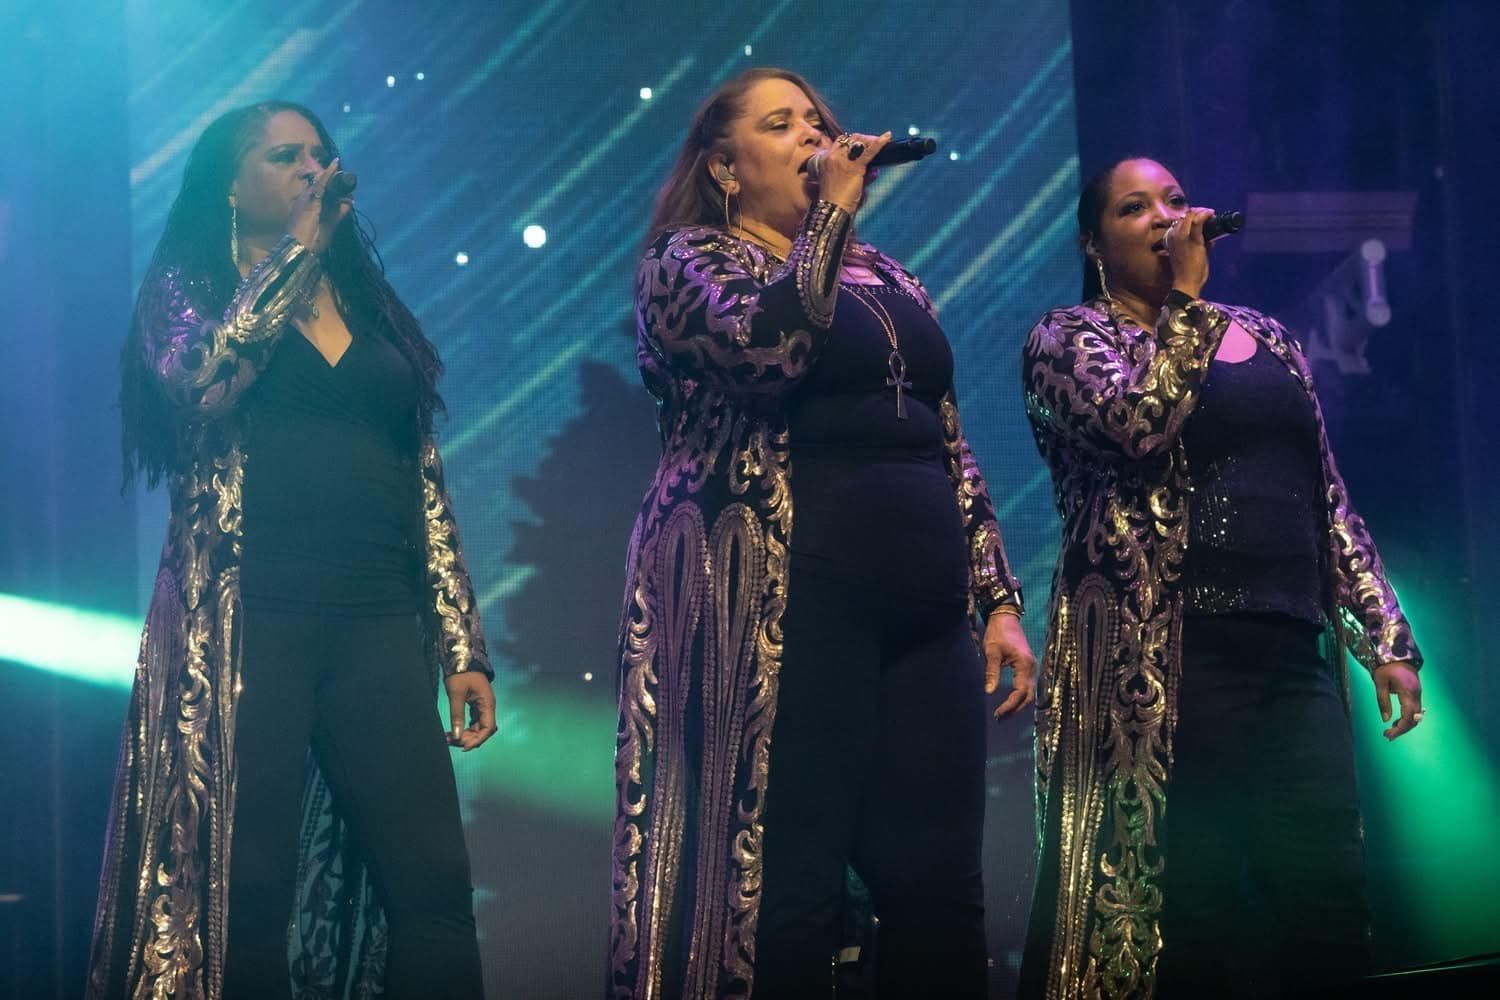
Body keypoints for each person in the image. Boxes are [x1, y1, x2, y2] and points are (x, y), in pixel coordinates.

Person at [611, 67, 1037, 999]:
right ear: (725, 167)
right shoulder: (688, 263)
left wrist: (998, 599)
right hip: (788, 609)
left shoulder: (888, 276)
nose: (813, 135)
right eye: (781, 124)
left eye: (816, 120)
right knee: (791, 885)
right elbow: (767, 352)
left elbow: (946, 440)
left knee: (940, 889)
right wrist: (831, 220)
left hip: (925, 616)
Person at [87, 101, 496, 1000]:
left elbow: (421, 478)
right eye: (284, 157)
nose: (313, 168)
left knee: (433, 886)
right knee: (247, 890)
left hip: (377, 617)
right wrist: (297, 251)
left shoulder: (368, 304)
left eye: (320, 154)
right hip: (249, 623)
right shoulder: (184, 289)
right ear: (230, 187)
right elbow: (206, 381)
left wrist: (461, 642)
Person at [1016, 157, 1425, 999]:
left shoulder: (1268, 338)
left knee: (1326, 893)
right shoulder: (1069, 338)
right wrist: (1187, 305)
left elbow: (1323, 491)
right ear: (1093, 243)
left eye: (1174, 199)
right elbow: (1138, 425)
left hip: (1286, 650)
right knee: (1196, 909)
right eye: (1135, 208)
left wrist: (1385, 635)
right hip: (1164, 660)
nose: (1166, 217)